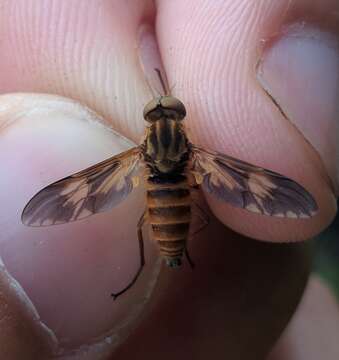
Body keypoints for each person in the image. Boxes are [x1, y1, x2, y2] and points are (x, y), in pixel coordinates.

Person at [0, 0, 337, 359]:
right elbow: (248, 183)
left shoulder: (137, 150)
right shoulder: (196, 149)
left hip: (162, 206)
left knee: (138, 226)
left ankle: (152, 263)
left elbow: (78, 191)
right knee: (203, 216)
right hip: (180, 202)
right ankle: (175, 254)